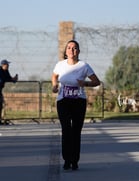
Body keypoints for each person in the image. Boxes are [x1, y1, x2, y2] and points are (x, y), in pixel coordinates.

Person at [51, 40, 100, 170]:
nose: (72, 50)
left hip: (79, 101)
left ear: (78, 51)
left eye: (74, 48)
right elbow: (54, 76)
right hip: (63, 100)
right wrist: (55, 86)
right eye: (69, 48)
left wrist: (85, 84)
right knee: (66, 129)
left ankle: (75, 161)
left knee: (76, 130)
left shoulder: (84, 66)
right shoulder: (60, 65)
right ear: (66, 51)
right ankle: (67, 160)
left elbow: (96, 81)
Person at [0, 59, 18, 125]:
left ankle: (2, 119)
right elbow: (1, 79)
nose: (8, 66)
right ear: (3, 65)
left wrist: (14, 79)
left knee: (2, 104)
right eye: (7, 64)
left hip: (0, 89)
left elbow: (8, 78)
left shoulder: (6, 71)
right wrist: (11, 79)